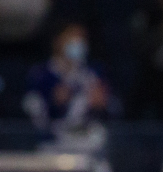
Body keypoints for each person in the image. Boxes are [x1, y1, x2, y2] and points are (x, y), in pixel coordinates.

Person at [22, 22, 113, 153]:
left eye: (82, 37)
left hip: (88, 143)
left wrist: (102, 104)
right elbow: (31, 113)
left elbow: (114, 109)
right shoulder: (41, 75)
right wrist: (52, 103)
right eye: (72, 37)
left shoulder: (94, 72)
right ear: (57, 41)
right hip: (53, 144)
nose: (78, 42)